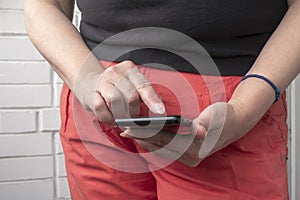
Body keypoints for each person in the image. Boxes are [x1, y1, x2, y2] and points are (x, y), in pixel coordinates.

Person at [24, 0, 300, 199]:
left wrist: (243, 109)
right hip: (99, 100)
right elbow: (43, 4)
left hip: (226, 107)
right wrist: (87, 81)